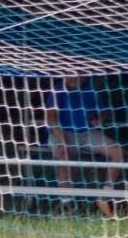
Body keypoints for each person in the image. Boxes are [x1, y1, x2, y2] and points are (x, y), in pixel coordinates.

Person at [44, 75, 122, 216]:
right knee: (65, 157)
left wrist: (100, 118)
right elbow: (51, 117)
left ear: (85, 75)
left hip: (87, 133)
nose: (72, 78)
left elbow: (106, 111)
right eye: (68, 74)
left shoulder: (92, 89)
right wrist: (62, 141)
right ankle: (67, 206)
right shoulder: (57, 90)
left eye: (76, 74)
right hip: (62, 133)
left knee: (118, 152)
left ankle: (104, 197)